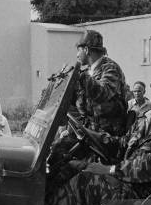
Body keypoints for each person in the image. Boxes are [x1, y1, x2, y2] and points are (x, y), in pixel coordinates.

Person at [46, 75, 151, 205]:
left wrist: (110, 170)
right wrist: (93, 136)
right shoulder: (146, 121)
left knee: (86, 181)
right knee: (69, 166)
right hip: (127, 181)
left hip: (148, 197)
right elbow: (123, 144)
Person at [47, 30, 127, 184]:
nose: (77, 55)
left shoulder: (110, 68)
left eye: (78, 50)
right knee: (55, 151)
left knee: (64, 160)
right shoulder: (88, 72)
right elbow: (76, 101)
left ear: (86, 50)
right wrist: (56, 88)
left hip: (106, 137)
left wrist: (80, 76)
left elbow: (103, 93)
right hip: (88, 133)